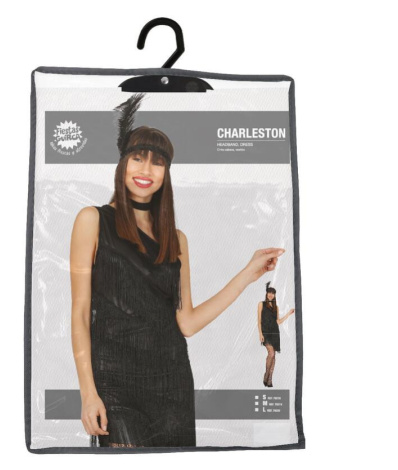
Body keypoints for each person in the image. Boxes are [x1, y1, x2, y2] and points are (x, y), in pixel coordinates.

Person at [70, 93, 286, 448]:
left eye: (157, 162)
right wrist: (88, 393)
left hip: (172, 386)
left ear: (166, 173)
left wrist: (249, 274)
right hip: (114, 385)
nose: (146, 170)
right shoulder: (92, 221)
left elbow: (186, 323)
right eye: (137, 158)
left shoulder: (176, 240)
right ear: (122, 163)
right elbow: (80, 314)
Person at [257, 282, 295, 388]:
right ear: (266, 293)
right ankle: (266, 375)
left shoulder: (276, 307)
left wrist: (288, 314)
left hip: (274, 333)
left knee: (273, 356)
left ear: (274, 295)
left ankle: (269, 378)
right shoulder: (261, 304)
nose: (270, 294)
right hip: (265, 332)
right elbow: (259, 320)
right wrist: (260, 333)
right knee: (271, 353)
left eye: (272, 293)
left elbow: (278, 322)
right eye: (269, 292)